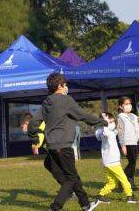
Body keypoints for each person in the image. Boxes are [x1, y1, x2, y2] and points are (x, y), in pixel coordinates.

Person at [28, 72, 106, 211]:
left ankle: (86, 205)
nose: (66, 88)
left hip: (51, 146)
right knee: (70, 178)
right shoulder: (66, 100)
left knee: (72, 175)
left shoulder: (46, 102)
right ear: (60, 86)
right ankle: (55, 207)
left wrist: (34, 139)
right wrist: (101, 121)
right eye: (65, 85)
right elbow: (83, 116)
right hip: (63, 146)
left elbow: (33, 122)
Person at [94, 112, 137, 206]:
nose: (113, 122)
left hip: (107, 162)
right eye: (111, 120)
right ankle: (130, 196)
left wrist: (117, 129)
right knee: (123, 179)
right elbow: (107, 131)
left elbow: (112, 133)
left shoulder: (104, 131)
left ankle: (101, 195)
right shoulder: (105, 131)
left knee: (112, 182)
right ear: (105, 122)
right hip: (112, 161)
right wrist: (105, 119)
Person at [117, 96, 139, 190]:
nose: (128, 106)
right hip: (127, 143)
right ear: (121, 106)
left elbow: (138, 130)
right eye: (126, 104)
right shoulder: (121, 117)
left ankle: (130, 183)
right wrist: (123, 145)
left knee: (133, 163)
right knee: (131, 163)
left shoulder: (134, 116)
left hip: (134, 143)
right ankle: (122, 182)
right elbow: (120, 132)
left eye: (129, 104)